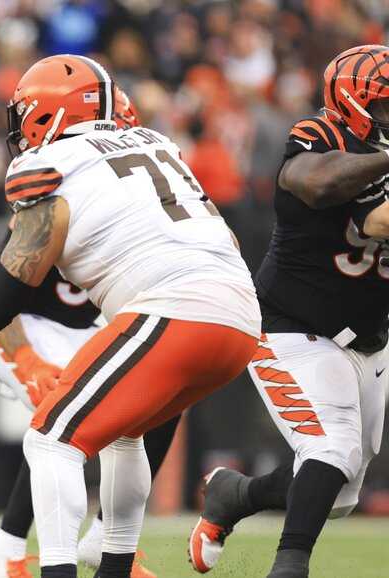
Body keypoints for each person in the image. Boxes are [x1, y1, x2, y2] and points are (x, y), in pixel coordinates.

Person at [0, 54, 260, 578]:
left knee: (51, 439)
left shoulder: (49, 168)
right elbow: (226, 239)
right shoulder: (157, 147)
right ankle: (111, 561)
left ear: (46, 115)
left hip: (174, 310)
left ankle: (54, 569)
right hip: (239, 316)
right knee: (128, 433)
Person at [188, 44, 389, 578]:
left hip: (368, 335)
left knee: (339, 491)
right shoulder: (318, 136)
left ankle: (236, 494)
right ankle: (289, 566)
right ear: (356, 104)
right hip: (292, 325)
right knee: (332, 448)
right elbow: (324, 188)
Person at [0, 91, 176, 578]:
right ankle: (6, 551)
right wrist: (26, 360)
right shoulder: (52, 193)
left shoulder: (132, 202)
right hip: (28, 331)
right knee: (60, 425)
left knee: (160, 401)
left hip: (87, 331)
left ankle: (105, 540)